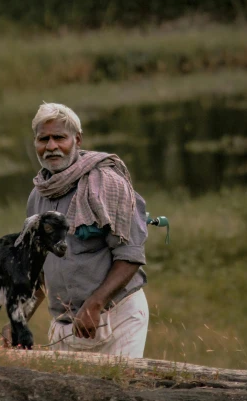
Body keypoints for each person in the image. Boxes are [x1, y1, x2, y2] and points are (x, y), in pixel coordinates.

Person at [11, 101, 149, 358]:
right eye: (43, 139)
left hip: (118, 318)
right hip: (66, 326)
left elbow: (130, 255)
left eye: (59, 138)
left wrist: (95, 303)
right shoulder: (38, 196)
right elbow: (38, 270)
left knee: (124, 395)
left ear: (77, 139)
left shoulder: (107, 184)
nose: (51, 146)